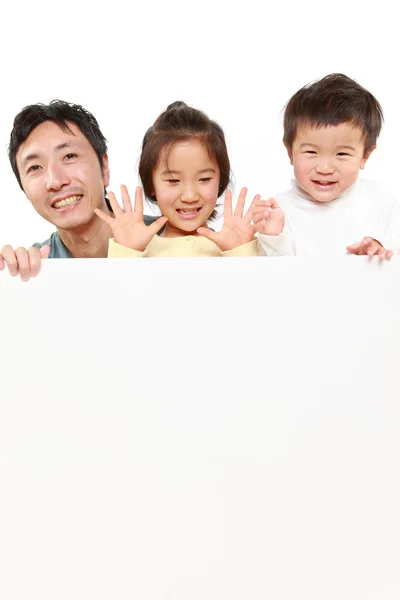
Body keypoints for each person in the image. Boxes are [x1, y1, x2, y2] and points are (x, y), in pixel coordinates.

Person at [0, 100, 156, 280]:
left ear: (104, 167)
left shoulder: (176, 240)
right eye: (35, 168)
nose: (56, 181)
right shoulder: (34, 267)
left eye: (69, 156)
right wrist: (9, 280)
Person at [253, 73, 400, 259]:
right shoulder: (280, 211)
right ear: (290, 152)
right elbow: (277, 278)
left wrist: (383, 245)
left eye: (342, 154)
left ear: (365, 156)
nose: (324, 168)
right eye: (311, 152)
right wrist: (274, 238)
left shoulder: (382, 201)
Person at [95, 101, 259, 258]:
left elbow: (255, 286)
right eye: (173, 181)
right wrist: (127, 251)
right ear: (151, 184)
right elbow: (119, 286)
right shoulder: (138, 250)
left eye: (204, 179)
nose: (189, 196)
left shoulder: (234, 247)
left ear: (220, 181)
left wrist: (241, 253)